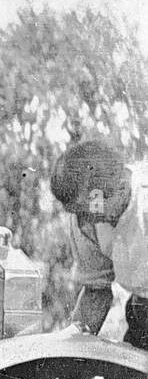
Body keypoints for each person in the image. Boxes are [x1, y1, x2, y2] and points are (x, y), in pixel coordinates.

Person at [50, 138, 148, 348]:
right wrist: (71, 348)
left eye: (89, 212)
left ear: (120, 187)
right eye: (78, 213)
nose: (84, 222)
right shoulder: (84, 219)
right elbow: (96, 290)